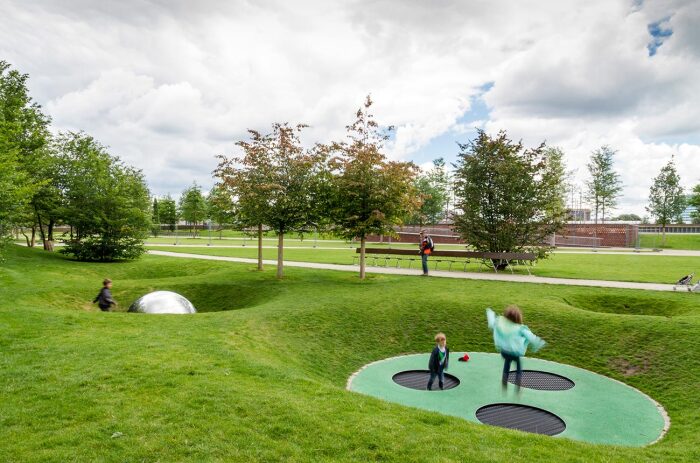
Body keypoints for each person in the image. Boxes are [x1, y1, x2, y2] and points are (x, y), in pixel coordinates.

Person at [486, 305, 545, 392]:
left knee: (507, 362)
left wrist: (490, 313)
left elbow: (492, 322)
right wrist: (538, 343)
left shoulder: (501, 323)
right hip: (514, 352)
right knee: (518, 365)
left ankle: (504, 378)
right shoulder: (520, 329)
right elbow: (531, 337)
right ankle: (518, 380)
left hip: (504, 352)